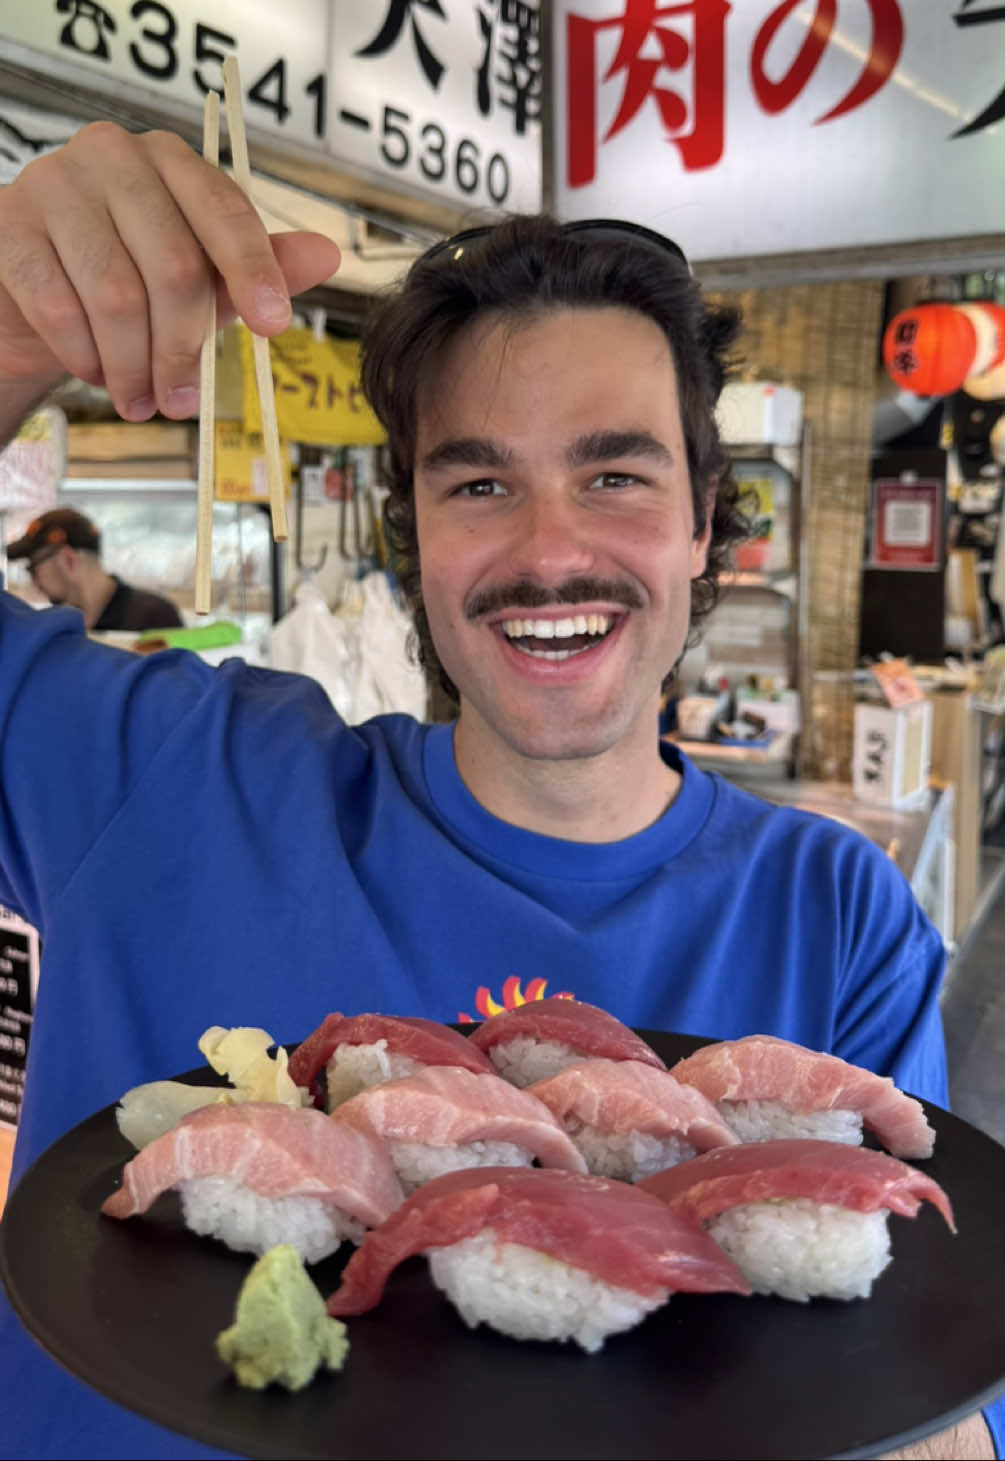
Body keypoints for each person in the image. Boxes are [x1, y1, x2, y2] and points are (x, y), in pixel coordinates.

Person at [0, 124, 997, 1461]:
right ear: (412, 531)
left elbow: (918, 1372)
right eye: (479, 482)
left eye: (615, 473)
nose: (549, 551)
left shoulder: (833, 909)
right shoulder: (171, 776)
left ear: (706, 519)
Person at [7, 505, 184, 631]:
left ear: (68, 560)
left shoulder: (154, 617)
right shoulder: (62, 628)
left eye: (33, 568)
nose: (35, 581)